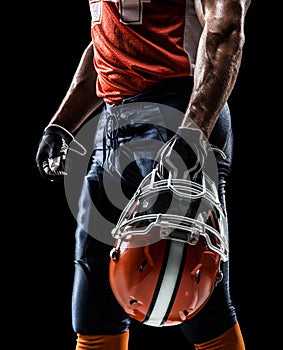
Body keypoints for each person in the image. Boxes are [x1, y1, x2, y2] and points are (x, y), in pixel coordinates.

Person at [35, 0, 251, 349]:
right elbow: (109, 44)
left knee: (192, 292)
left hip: (180, 114)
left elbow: (224, 29)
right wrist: (63, 123)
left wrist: (191, 136)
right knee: (96, 298)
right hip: (114, 123)